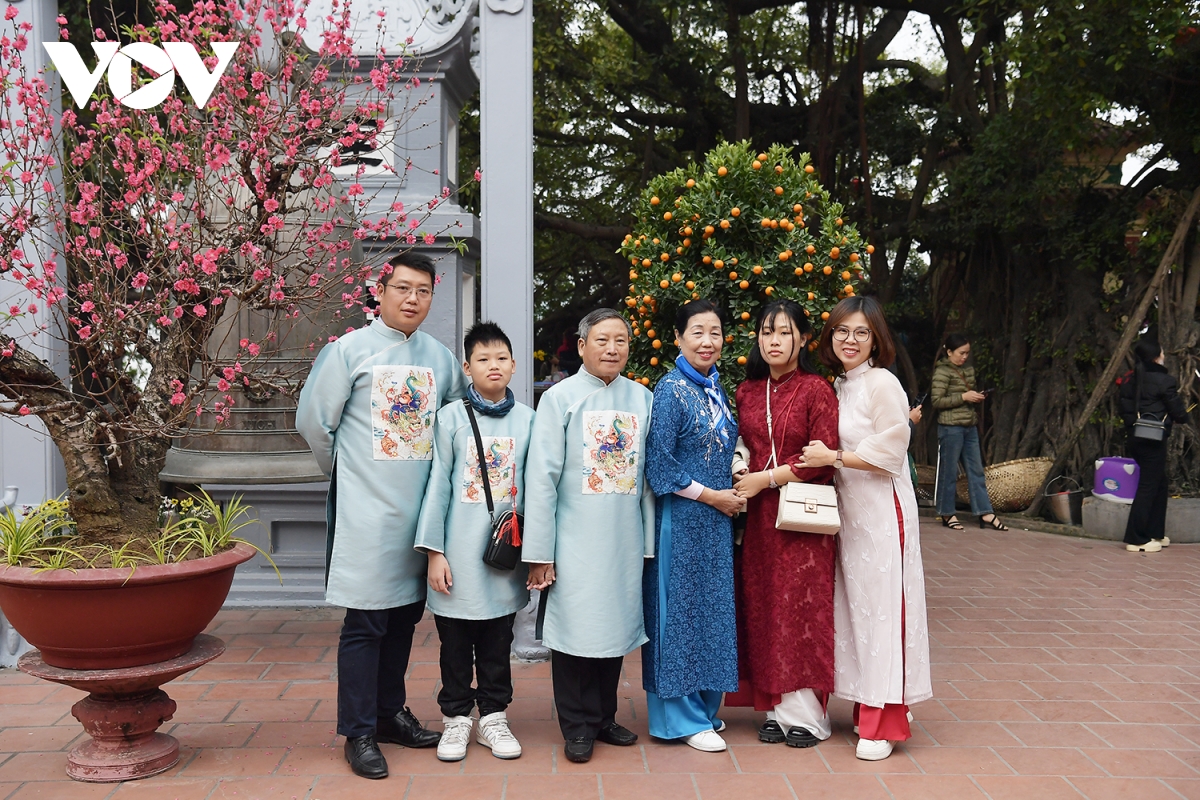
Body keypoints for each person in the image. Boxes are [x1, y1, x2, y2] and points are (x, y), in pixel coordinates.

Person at [296, 252, 466, 780]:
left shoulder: (439, 358)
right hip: (368, 511)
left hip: (420, 513)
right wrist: (350, 473)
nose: (412, 299)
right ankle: (359, 730)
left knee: (404, 620)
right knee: (366, 621)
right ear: (380, 290)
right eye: (403, 288)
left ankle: (391, 713)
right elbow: (313, 423)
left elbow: (455, 428)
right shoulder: (348, 351)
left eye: (423, 291)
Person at [799, 295, 932, 762]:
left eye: (860, 333)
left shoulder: (882, 384)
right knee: (853, 611)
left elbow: (892, 452)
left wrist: (831, 457)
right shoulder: (839, 385)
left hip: (882, 514)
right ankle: (865, 705)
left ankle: (885, 721)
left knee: (883, 611)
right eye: (841, 331)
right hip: (849, 517)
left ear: (877, 339)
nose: (849, 340)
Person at [522, 308, 655, 764]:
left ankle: (602, 717)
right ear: (581, 346)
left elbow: (648, 481)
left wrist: (648, 542)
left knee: (614, 631)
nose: (612, 348)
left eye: (620, 340)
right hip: (573, 540)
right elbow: (541, 479)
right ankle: (576, 725)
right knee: (577, 634)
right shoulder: (560, 399)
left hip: (622, 538)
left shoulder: (643, 398)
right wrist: (541, 551)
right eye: (602, 340)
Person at [415, 322, 535, 762]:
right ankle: (456, 720)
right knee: (453, 644)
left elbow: (538, 488)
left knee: (496, 641)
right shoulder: (449, 419)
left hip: (504, 557)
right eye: (483, 359)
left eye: (501, 358)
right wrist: (434, 553)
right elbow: (437, 489)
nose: (494, 366)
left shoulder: (528, 420)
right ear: (467, 367)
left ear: (514, 365)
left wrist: (538, 553)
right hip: (458, 555)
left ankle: (494, 718)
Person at [727, 299, 840, 748]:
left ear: (803, 339)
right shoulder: (747, 390)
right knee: (764, 609)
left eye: (784, 332)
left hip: (804, 521)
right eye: (767, 332)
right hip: (759, 523)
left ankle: (809, 716)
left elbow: (822, 458)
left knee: (800, 612)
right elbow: (740, 440)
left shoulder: (817, 389)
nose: (774, 341)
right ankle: (775, 707)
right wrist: (740, 469)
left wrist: (765, 478)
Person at [642, 300, 744, 753]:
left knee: (711, 613)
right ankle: (676, 718)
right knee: (678, 615)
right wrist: (712, 496)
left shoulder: (716, 388)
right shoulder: (671, 390)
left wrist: (735, 475)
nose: (707, 341)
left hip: (716, 523)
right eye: (697, 332)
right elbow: (660, 467)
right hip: (681, 522)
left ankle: (703, 710)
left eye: (715, 332)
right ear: (678, 338)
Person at [1117, 336, 1189, 553]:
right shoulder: (1164, 381)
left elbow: (1124, 409)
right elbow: (1178, 411)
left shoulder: (1129, 379)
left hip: (1135, 438)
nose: (1164, 355)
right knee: (1148, 486)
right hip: (1153, 440)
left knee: (1159, 483)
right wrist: (1182, 417)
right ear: (1156, 356)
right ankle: (1137, 539)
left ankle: (1155, 533)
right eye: (1162, 352)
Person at [930, 333, 1007, 531]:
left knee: (976, 471)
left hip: (969, 427)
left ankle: (985, 512)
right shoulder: (942, 373)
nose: (964, 357)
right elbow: (937, 401)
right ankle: (947, 512)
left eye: (967, 353)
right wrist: (964, 396)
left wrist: (975, 397)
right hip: (950, 428)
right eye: (961, 353)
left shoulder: (968, 371)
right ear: (949, 352)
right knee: (948, 473)